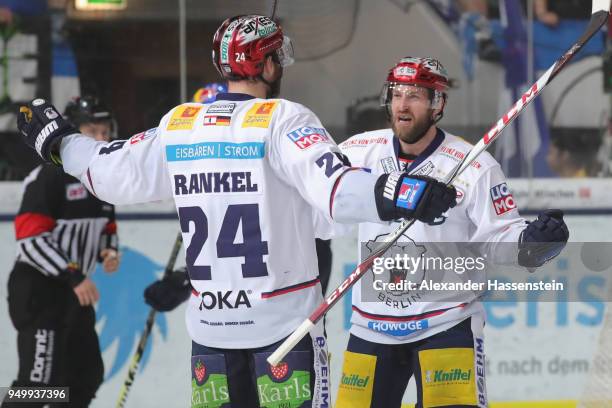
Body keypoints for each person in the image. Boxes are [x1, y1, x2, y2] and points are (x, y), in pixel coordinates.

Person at [16, 16, 457, 408]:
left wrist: (61, 142)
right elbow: (338, 190)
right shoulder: (283, 119)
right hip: (283, 333)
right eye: (276, 59)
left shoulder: (180, 124)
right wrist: (407, 192)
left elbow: (107, 173)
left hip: (211, 334)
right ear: (266, 66)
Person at [335, 56, 569, 407]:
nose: (402, 103)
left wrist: (528, 245)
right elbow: (325, 202)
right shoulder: (357, 152)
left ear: (437, 103)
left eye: (414, 94)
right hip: (371, 327)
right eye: (397, 93)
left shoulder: (474, 164)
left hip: (446, 324)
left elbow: (497, 238)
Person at [3, 95, 119, 408]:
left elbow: (106, 225)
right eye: (92, 131)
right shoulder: (48, 177)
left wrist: (108, 252)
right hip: (39, 290)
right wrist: (74, 275)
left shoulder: (102, 179)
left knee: (85, 376)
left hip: (73, 293)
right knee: (39, 382)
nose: (101, 138)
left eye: (105, 131)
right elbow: (31, 240)